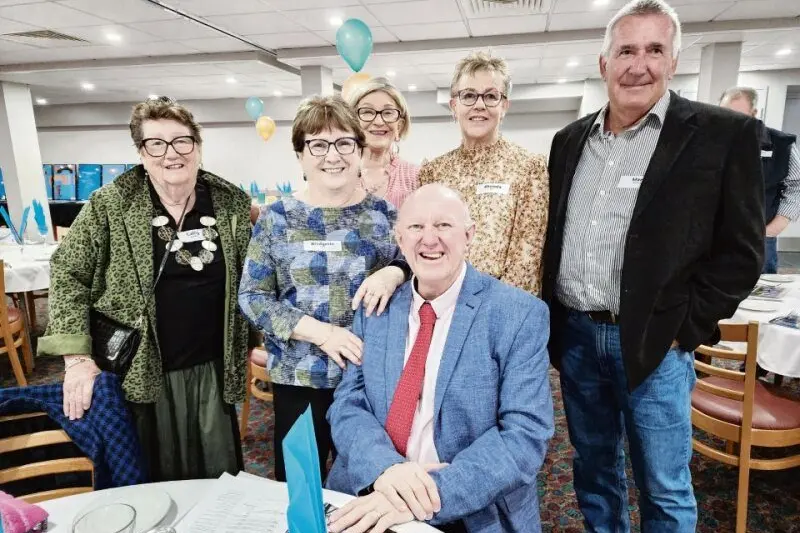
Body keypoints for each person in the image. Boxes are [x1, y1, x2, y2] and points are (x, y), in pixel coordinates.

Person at [542, 1, 764, 531]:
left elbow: (742, 252)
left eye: (654, 50)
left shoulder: (722, 135)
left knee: (663, 484)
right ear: (604, 64)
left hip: (657, 343)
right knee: (594, 470)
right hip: (577, 338)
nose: (638, 65)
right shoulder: (569, 141)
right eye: (626, 51)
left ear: (673, 61)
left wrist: (685, 327)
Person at [39, 96, 260, 481]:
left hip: (212, 367)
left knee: (216, 475)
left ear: (198, 146)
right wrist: (77, 359)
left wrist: (259, 337)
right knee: (150, 474)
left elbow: (252, 274)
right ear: (141, 153)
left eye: (182, 141)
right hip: (140, 367)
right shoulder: (111, 204)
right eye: (156, 143)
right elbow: (68, 271)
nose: (171, 153)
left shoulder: (230, 203)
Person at [326, 184, 554, 533]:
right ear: (400, 239)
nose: (429, 239)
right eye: (416, 227)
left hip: (466, 503)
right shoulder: (376, 308)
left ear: (469, 235)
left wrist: (424, 496)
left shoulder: (518, 314)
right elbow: (348, 402)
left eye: (443, 225)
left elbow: (524, 436)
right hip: (375, 486)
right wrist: (386, 468)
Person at [238, 95, 407, 482]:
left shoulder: (385, 216)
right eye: (317, 144)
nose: (333, 155)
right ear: (300, 156)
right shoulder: (276, 219)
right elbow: (253, 297)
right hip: (299, 377)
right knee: (301, 486)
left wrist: (396, 272)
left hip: (369, 379)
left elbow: (417, 268)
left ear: (359, 150)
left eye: (344, 142)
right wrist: (322, 334)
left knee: (369, 484)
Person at [418, 51, 548, 295]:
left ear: (504, 106)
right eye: (468, 95)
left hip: (500, 306)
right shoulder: (433, 172)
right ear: (454, 106)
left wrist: (485, 310)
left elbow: (526, 262)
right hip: (441, 301)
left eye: (490, 96)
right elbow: (426, 246)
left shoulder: (528, 168)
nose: (479, 105)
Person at [720, 86, 800, 274]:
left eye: (737, 115)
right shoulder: (712, 141)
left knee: (760, 287)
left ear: (753, 113)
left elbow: (796, 186)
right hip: (717, 237)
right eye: (723, 114)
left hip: (759, 237)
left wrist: (773, 229)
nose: (729, 121)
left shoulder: (780, 144)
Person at [348, 77, 420, 208]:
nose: (379, 121)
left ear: (399, 126)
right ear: (352, 122)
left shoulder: (417, 177)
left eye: (388, 113)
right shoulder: (338, 175)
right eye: (367, 112)